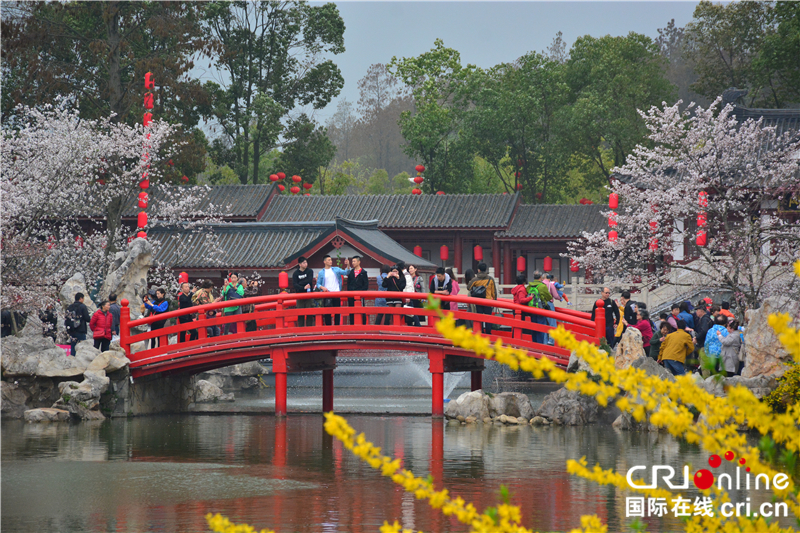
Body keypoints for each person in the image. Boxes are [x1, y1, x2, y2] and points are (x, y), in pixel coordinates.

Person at [317, 255, 350, 326]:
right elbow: (318, 284)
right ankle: (328, 327)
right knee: (327, 312)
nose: (330, 261)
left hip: (336, 293)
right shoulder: (321, 272)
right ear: (324, 262)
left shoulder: (336, 269)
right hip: (327, 293)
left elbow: (346, 273)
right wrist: (322, 287)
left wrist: (347, 265)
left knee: (337, 312)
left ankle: (337, 327)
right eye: (328, 260)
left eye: (331, 260)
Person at [467, 263, 497, 334]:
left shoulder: (475, 279)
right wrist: (495, 301)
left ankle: (480, 332)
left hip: (479, 301)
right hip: (488, 301)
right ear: (486, 269)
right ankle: (488, 333)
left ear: (478, 270)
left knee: (479, 318)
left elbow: (469, 287)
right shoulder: (490, 279)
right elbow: (494, 292)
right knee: (488, 318)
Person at [512, 274, 538, 342]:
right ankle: (517, 341)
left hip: (516, 308)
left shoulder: (517, 288)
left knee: (516, 325)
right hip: (520, 310)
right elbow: (522, 300)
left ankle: (515, 340)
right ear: (524, 281)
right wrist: (530, 297)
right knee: (519, 325)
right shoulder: (522, 289)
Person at [346, 256, 369, 325]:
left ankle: (363, 325)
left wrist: (360, 292)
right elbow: (348, 284)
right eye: (352, 261)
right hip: (351, 295)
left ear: (359, 262)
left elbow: (366, 285)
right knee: (351, 310)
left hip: (360, 295)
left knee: (362, 310)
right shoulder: (351, 272)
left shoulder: (363, 272)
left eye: (354, 261)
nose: (353, 263)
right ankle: (352, 325)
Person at [292, 256, 315, 327]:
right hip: (299, 295)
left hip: (308, 295)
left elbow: (309, 280)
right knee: (300, 313)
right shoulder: (295, 273)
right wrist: (303, 287)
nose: (306, 264)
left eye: (306, 262)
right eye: (304, 262)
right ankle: (300, 329)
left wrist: (300, 284)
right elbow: (295, 284)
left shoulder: (310, 271)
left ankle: (309, 328)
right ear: (300, 264)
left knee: (309, 313)